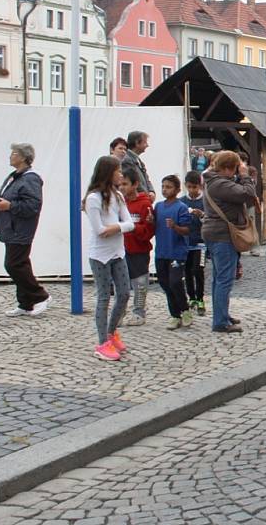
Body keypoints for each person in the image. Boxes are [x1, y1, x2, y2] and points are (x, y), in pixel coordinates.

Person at [0, 143, 52, 317]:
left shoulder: (30, 178)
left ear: (24, 157)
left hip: (21, 229)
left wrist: (9, 206)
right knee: (21, 264)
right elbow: (3, 196)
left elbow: (33, 205)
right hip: (10, 227)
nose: (10, 156)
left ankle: (41, 296)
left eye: (14, 153)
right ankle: (25, 303)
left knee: (13, 264)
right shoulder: (13, 177)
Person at [83, 156, 134, 361]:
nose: (120, 174)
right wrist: (117, 228)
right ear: (107, 173)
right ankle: (102, 341)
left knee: (123, 294)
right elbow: (99, 230)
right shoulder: (93, 199)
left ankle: (112, 333)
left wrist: (116, 227)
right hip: (100, 255)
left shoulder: (118, 196)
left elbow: (130, 223)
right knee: (104, 297)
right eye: (117, 171)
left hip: (117, 252)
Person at [202, 151, 257, 333]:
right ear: (227, 168)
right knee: (224, 279)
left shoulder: (214, 181)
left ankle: (222, 314)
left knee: (219, 278)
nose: (236, 172)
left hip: (216, 233)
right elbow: (248, 194)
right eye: (234, 169)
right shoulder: (220, 184)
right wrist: (245, 176)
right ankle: (220, 321)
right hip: (222, 235)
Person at [154, 175, 193, 330]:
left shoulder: (181, 207)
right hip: (161, 251)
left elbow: (187, 230)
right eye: (163, 186)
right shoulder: (158, 206)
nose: (165, 189)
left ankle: (184, 309)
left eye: (168, 187)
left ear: (177, 190)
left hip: (176, 252)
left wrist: (175, 227)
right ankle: (174, 314)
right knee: (164, 283)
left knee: (175, 282)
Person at [119, 167, 154, 326]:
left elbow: (149, 230)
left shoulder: (145, 204)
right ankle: (119, 312)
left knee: (140, 283)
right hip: (121, 250)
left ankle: (139, 312)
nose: (122, 188)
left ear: (135, 184)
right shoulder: (119, 202)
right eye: (120, 184)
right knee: (120, 283)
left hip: (139, 250)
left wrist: (134, 228)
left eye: (125, 184)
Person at [181, 170, 206, 316]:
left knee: (198, 270)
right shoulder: (182, 201)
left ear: (200, 186)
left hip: (201, 242)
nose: (192, 190)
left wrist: (201, 215)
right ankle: (191, 297)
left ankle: (200, 297)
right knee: (188, 271)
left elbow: (210, 220)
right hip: (186, 242)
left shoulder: (204, 201)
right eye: (189, 187)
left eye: (195, 187)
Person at [122, 131, 155, 201]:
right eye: (145, 142)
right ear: (137, 143)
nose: (147, 145)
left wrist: (151, 191)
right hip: (137, 200)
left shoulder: (138, 160)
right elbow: (134, 181)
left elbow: (146, 179)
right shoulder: (127, 160)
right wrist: (146, 196)